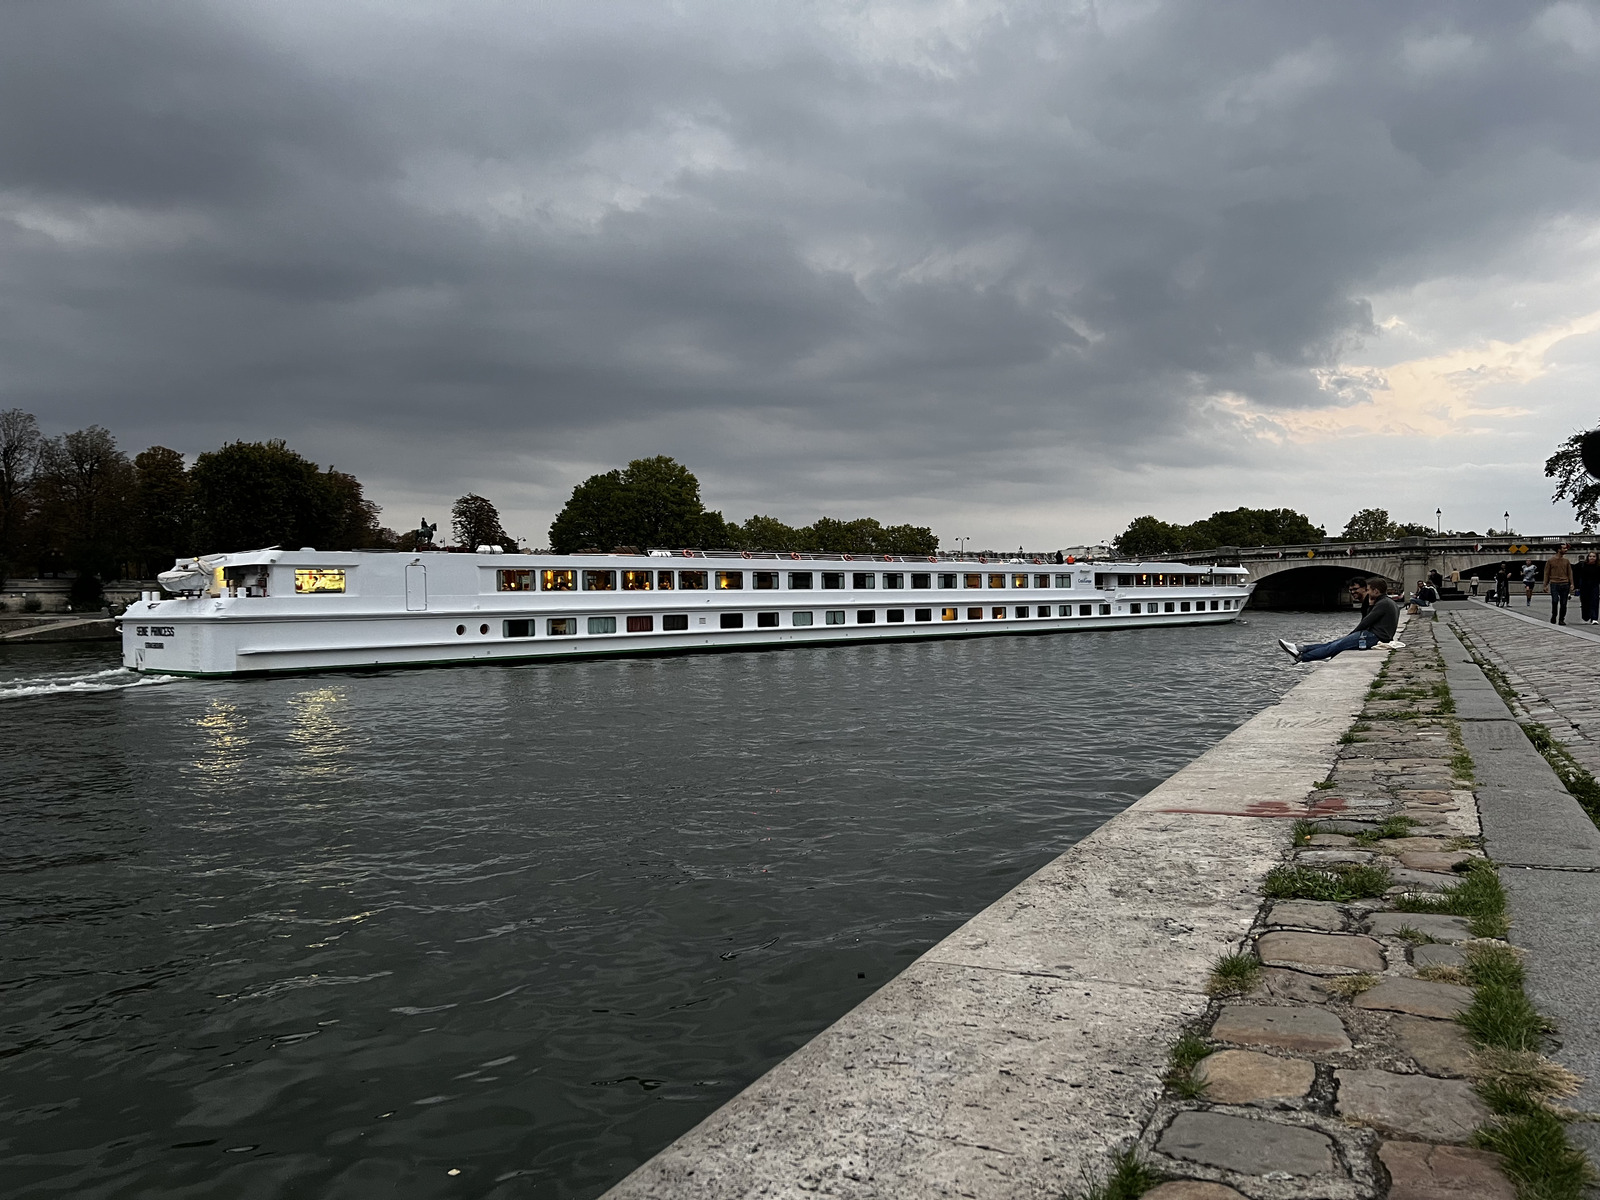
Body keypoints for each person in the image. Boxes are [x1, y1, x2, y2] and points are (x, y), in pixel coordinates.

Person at [1278, 579, 1400, 663]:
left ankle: (1300, 658)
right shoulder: (1390, 603)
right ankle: (1299, 648)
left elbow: (1366, 622)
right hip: (1376, 636)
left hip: (1373, 637)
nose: (1367, 593)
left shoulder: (1383, 604)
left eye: (1368, 590)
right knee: (1333, 643)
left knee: (1335, 646)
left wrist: (1351, 635)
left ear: (1376, 591)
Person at [1546, 546, 1574, 625]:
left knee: (1564, 603)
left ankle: (1561, 619)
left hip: (1565, 583)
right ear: (1559, 550)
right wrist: (1545, 585)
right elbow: (1546, 573)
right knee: (1555, 601)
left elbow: (1570, 573)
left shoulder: (1566, 561)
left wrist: (1572, 584)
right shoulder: (1550, 561)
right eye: (1564, 548)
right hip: (1554, 583)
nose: (1566, 550)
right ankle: (1554, 615)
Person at [1576, 551, 1600, 625]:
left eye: (1593, 556)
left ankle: (1594, 618)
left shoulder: (1598, 566)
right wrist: (1576, 586)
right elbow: (1576, 575)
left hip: (1594, 585)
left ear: (1596, 558)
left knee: (1595, 602)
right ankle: (1586, 615)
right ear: (1588, 557)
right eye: (1590, 556)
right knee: (1585, 602)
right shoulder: (1582, 565)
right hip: (1584, 585)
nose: (1592, 558)